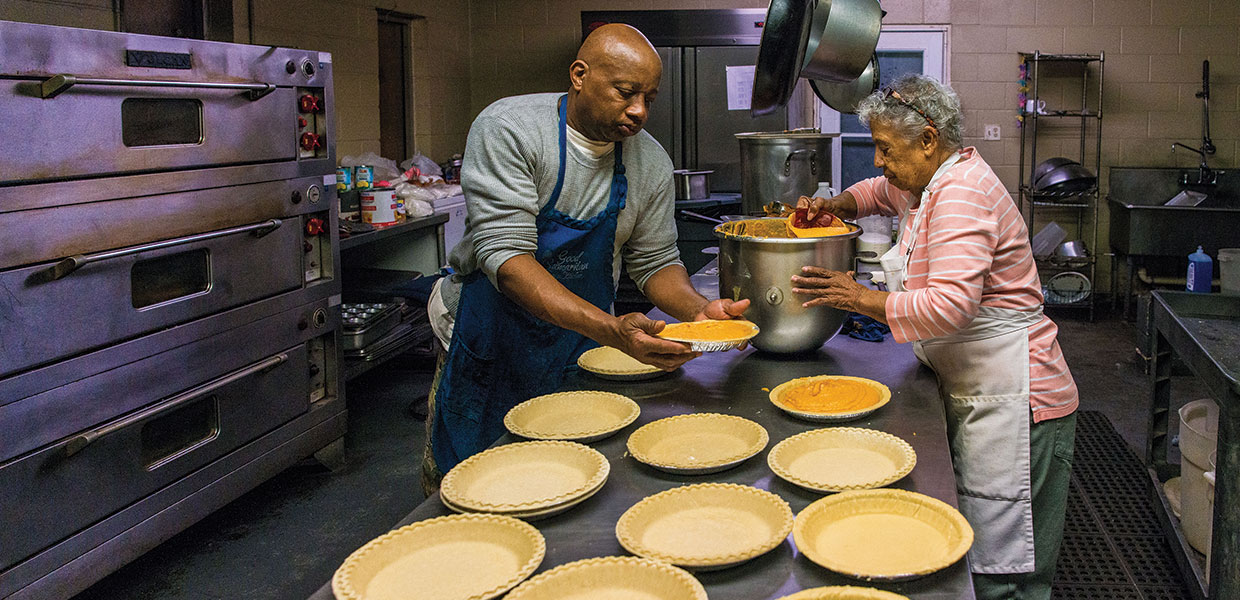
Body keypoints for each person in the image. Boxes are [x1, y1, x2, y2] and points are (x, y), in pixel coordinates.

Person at [422, 23, 749, 495]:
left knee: (565, 471)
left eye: (649, 98)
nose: (639, 111)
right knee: (470, 477)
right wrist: (611, 330)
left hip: (580, 337)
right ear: (579, 75)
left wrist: (698, 312)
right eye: (625, 92)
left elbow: (656, 261)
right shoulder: (510, 129)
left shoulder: (650, 162)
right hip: (490, 330)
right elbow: (507, 259)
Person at [792, 74, 1078, 600]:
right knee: (985, 545)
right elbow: (875, 191)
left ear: (927, 139)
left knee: (1006, 564)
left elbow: (949, 306)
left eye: (885, 148)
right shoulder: (925, 183)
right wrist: (836, 206)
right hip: (982, 385)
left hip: (1017, 399)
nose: (878, 160)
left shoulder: (962, 193)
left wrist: (857, 298)